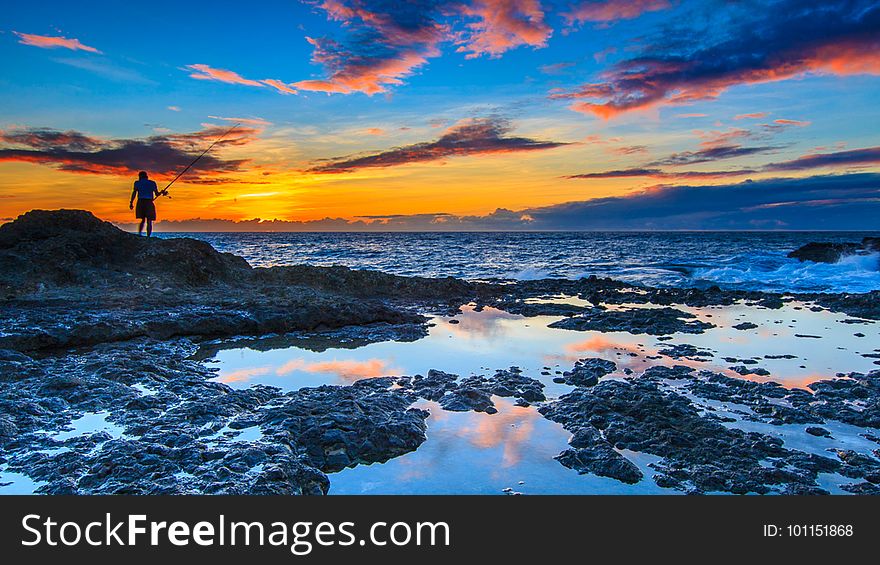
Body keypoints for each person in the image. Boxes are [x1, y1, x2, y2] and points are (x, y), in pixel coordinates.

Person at [129, 171, 162, 236]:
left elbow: (134, 193)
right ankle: (148, 236)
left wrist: (131, 202)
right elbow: (157, 194)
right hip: (149, 202)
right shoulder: (152, 183)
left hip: (140, 202)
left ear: (140, 176)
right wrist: (161, 192)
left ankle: (139, 234)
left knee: (143, 220)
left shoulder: (137, 183)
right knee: (149, 221)